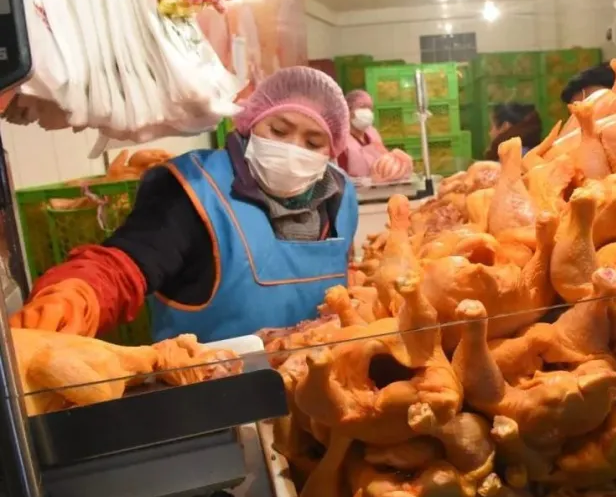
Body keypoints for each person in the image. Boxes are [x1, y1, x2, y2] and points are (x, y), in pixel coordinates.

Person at [12, 67, 359, 343]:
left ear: (331, 151)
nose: (293, 149)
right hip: (217, 405)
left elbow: (343, 273)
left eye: (313, 143)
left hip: (317, 402)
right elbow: (125, 265)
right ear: (251, 123)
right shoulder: (193, 190)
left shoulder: (339, 197)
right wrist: (76, 296)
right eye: (279, 131)